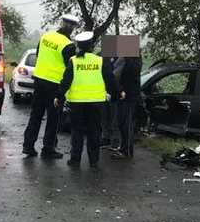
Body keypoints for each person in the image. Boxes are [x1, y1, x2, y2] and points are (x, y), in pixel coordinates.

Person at [53, 31, 123, 167]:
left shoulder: (73, 61)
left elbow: (66, 81)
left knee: (77, 131)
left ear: (79, 46)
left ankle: (75, 159)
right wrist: (118, 91)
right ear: (91, 45)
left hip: (77, 103)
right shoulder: (100, 60)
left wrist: (59, 96)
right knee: (94, 131)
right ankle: (94, 160)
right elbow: (110, 79)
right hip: (96, 103)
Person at [22, 13, 80, 158]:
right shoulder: (68, 45)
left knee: (35, 114)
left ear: (61, 23)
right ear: (72, 28)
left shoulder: (45, 37)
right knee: (54, 118)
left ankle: (28, 145)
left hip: (39, 80)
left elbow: (39, 54)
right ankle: (48, 148)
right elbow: (69, 68)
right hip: (54, 85)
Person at [110, 52, 143, 161]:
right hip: (120, 95)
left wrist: (127, 57)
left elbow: (135, 70)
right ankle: (123, 147)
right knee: (121, 123)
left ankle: (126, 151)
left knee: (127, 124)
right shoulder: (119, 58)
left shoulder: (134, 57)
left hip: (130, 96)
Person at [99, 54, 121, 149]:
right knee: (104, 115)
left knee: (115, 117)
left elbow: (117, 74)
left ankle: (116, 139)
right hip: (103, 89)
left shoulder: (123, 54)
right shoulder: (102, 54)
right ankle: (106, 138)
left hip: (115, 90)